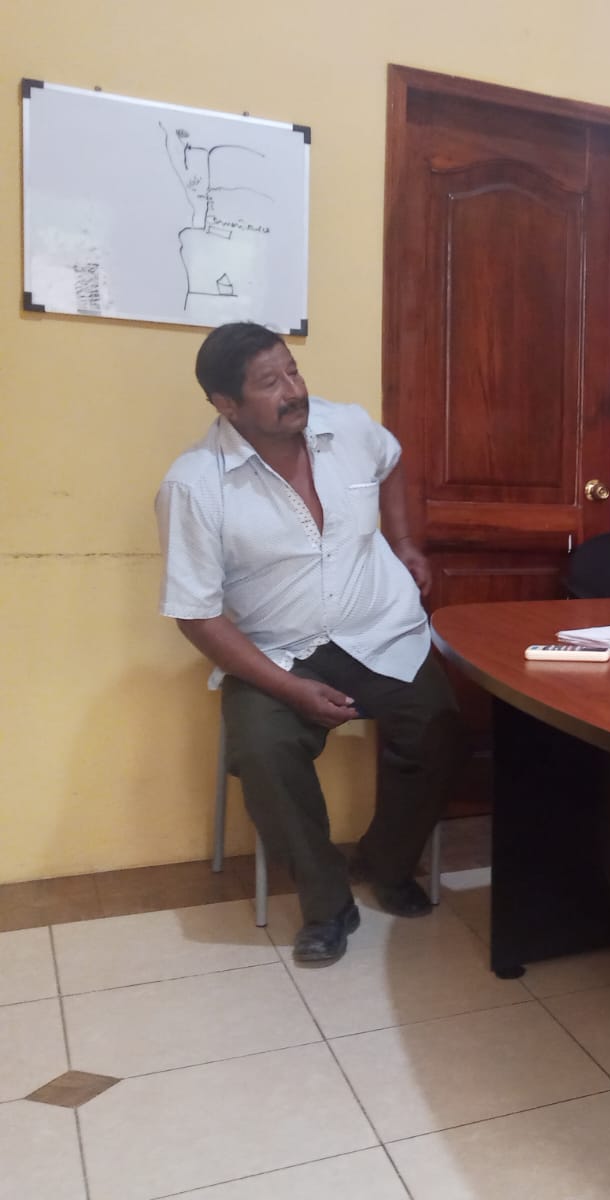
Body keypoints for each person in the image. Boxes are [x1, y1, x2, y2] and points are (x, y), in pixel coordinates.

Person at [155, 322, 465, 966]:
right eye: (269, 383)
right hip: (278, 652)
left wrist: (405, 542)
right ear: (226, 403)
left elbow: (391, 462)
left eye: (291, 371)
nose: (293, 391)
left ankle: (387, 863)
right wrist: (290, 689)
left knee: (436, 723)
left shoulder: (345, 426)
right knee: (263, 749)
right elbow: (197, 616)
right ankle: (327, 905)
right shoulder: (195, 484)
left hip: (381, 632)